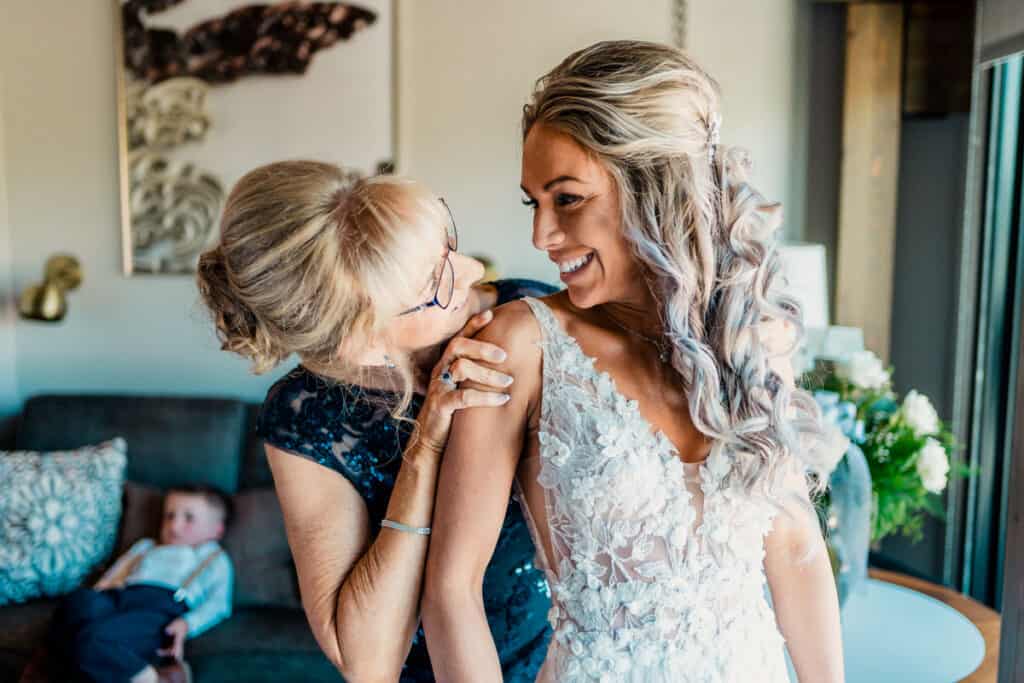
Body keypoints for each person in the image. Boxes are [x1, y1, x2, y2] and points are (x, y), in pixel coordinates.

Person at [421, 41, 845, 682]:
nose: (541, 236)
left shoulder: (755, 334)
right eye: (533, 202)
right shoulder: (522, 345)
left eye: (566, 198)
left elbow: (794, 547)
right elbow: (452, 591)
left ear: (653, 186)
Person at [195, 162, 553, 682]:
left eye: (447, 244)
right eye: (437, 283)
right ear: (364, 343)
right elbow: (365, 662)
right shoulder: (307, 416)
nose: (474, 271)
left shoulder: (532, 311)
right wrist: (426, 447)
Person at [48, 485, 233, 683]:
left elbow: (219, 604)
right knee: (78, 601)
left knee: (93, 640)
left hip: (158, 610)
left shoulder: (212, 556)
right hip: (117, 598)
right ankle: (84, 655)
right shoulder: (146, 546)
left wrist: (188, 624)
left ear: (217, 530)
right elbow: (116, 574)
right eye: (169, 516)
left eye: (188, 518)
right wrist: (101, 589)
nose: (174, 525)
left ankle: (154, 678)